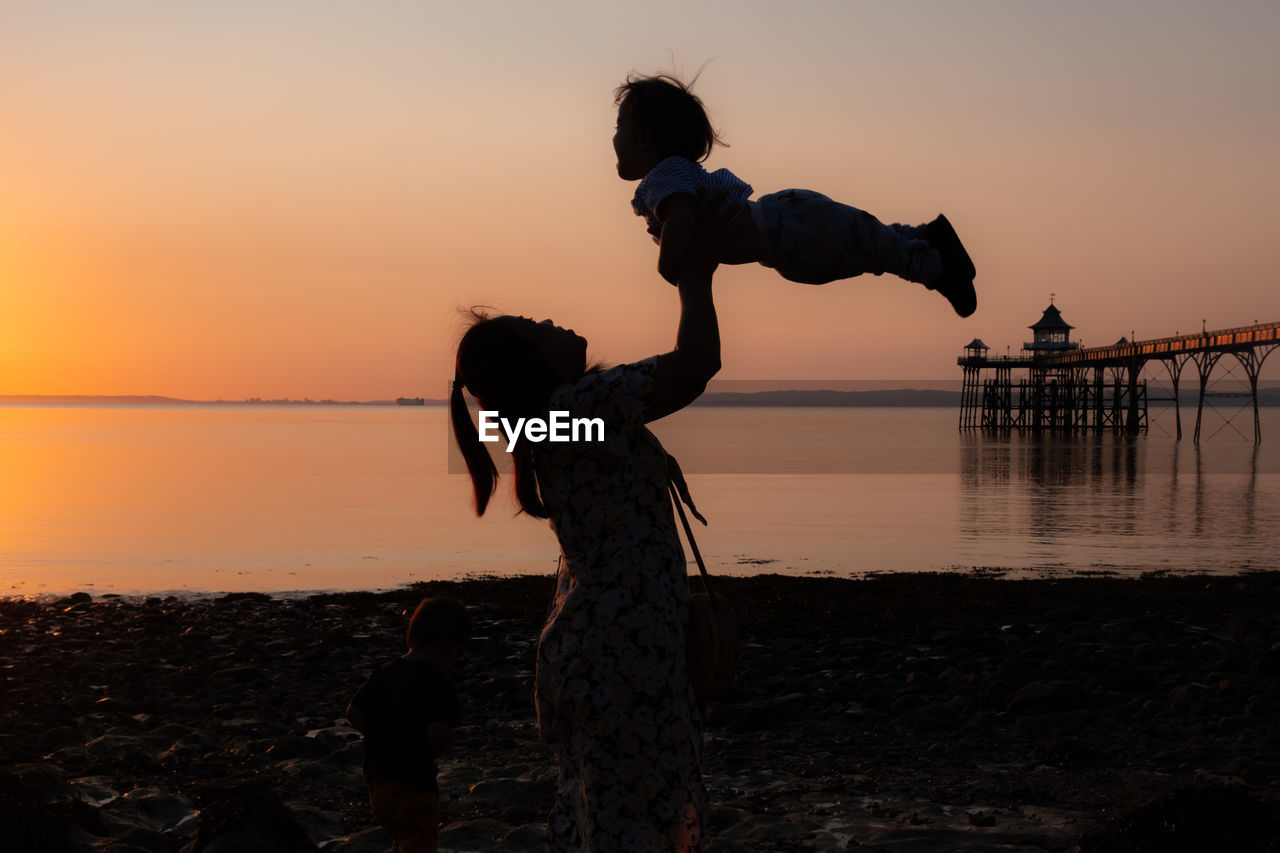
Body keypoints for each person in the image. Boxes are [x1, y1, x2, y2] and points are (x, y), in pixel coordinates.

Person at [449, 220, 724, 851]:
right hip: (622, 658)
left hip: (598, 651)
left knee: (609, 817)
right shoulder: (578, 408)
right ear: (530, 362)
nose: (549, 320)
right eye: (533, 327)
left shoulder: (552, 423)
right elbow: (696, 364)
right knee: (637, 822)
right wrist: (694, 271)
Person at [613, 71, 978, 317]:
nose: (613, 138)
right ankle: (927, 235)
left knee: (871, 248)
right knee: (864, 244)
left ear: (644, 138)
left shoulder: (663, 178)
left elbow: (681, 218)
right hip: (785, 234)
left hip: (790, 229)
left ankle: (936, 268)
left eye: (619, 127)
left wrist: (667, 265)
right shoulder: (673, 173)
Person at [346, 596, 472, 853]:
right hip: (415, 786)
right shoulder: (439, 683)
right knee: (419, 843)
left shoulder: (385, 671)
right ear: (450, 647)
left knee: (402, 839)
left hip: (378, 784)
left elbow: (353, 713)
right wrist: (443, 742)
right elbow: (438, 736)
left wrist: (383, 736)